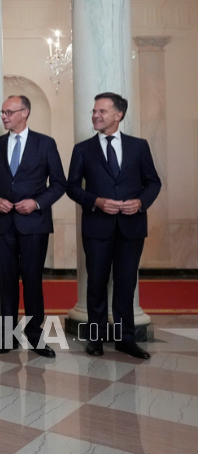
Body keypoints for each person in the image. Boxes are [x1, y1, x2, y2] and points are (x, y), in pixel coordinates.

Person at [67, 92, 161, 359]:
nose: (95, 115)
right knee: (96, 284)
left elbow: (153, 182)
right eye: (94, 111)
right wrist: (96, 201)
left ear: (118, 115)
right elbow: (72, 188)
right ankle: (95, 339)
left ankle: (125, 339)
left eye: (102, 111)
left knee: (125, 284)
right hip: (97, 227)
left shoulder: (139, 146)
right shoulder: (83, 149)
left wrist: (140, 203)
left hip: (131, 227)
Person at [0, 95, 66, 357]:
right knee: (6, 281)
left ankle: (35, 334)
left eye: (8, 111)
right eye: (2, 111)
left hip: (34, 225)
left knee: (32, 281)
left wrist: (37, 203)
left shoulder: (46, 144)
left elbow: (59, 183)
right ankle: (8, 336)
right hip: (2, 225)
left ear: (25, 113)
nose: (3, 116)